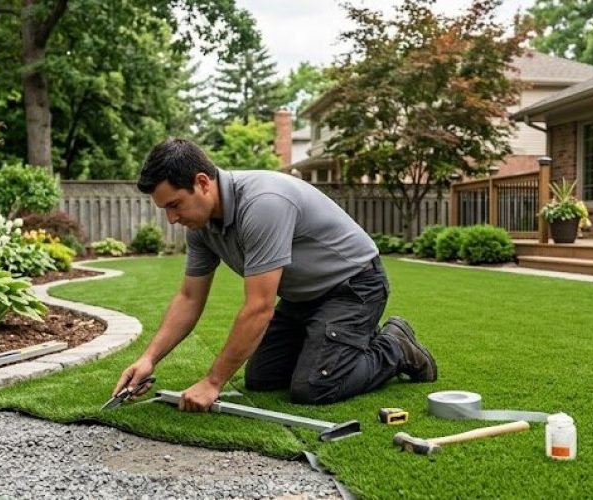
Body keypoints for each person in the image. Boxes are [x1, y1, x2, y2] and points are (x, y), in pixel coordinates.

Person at [112, 138, 437, 412]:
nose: (171, 218)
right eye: (165, 209)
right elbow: (189, 298)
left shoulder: (263, 203)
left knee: (314, 387)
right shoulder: (201, 227)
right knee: (262, 379)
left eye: (175, 205)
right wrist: (149, 359)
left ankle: (395, 346)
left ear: (202, 183)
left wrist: (212, 382)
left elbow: (259, 307)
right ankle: (339, 342)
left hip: (354, 287)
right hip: (302, 296)